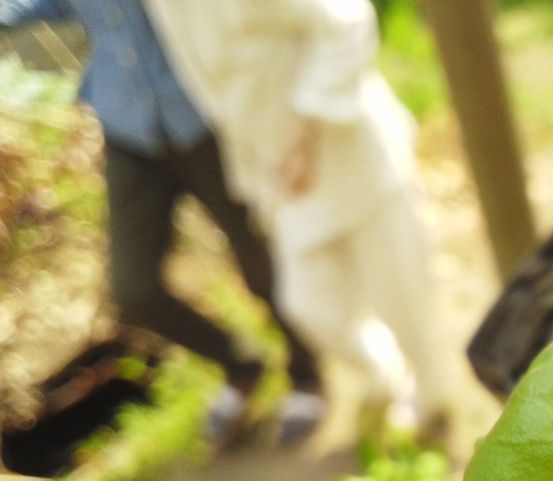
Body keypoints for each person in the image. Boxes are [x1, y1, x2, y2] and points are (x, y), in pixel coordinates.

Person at [0, 0, 325, 445]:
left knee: (260, 261)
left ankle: (308, 371)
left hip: (203, 117)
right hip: (129, 129)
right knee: (134, 287)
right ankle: (240, 362)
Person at [142, 0, 450, 434]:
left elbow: (346, 19)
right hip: (279, 174)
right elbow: (212, 88)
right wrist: (251, 178)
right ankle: (384, 371)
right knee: (308, 305)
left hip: (349, 148)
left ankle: (437, 398)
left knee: (401, 291)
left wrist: (306, 133)